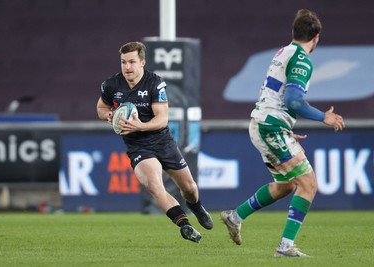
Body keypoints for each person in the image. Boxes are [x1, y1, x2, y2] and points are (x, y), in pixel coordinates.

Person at [220, 9, 345, 257]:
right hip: (271, 126)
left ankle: (236, 216)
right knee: (308, 184)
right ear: (317, 37)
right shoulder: (301, 59)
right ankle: (285, 246)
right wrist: (325, 117)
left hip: (265, 123)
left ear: (292, 32)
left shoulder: (283, 52)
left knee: (288, 185)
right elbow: (294, 101)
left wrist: (285, 128)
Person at [96, 41, 213, 243]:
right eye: (123, 62)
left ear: (142, 62)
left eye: (132, 62)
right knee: (153, 185)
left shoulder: (154, 82)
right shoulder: (111, 85)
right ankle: (184, 224)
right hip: (137, 146)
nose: (127, 67)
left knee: (189, 187)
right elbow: (101, 108)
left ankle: (197, 207)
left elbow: (162, 120)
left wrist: (139, 126)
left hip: (162, 141)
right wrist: (109, 115)